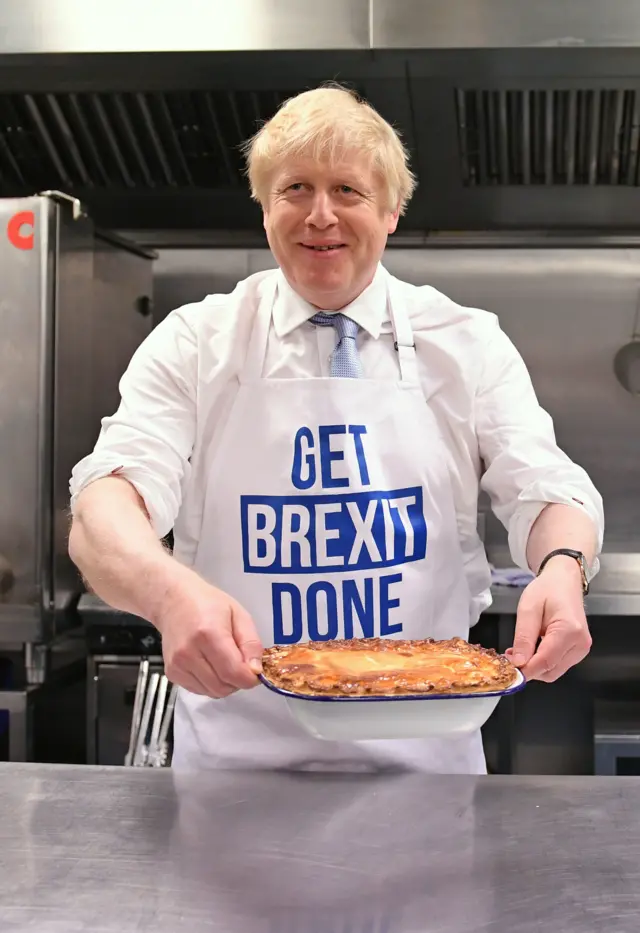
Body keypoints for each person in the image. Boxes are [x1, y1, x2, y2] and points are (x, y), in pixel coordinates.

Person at [68, 85, 604, 774]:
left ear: (391, 210)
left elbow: (545, 487)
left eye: (347, 189)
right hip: (239, 768)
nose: (321, 215)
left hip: (427, 768)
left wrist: (564, 569)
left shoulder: (465, 342)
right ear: (265, 210)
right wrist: (169, 594)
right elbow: (104, 504)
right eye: (295, 188)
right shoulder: (198, 342)